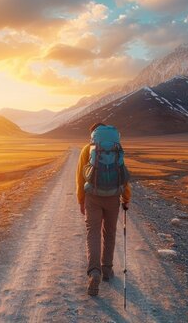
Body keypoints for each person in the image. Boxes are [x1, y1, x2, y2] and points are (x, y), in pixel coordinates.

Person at [76, 122, 131, 296]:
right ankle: (107, 270)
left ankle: (94, 272)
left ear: (93, 135)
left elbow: (79, 177)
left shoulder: (87, 149)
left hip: (93, 197)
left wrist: (81, 200)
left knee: (93, 233)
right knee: (109, 233)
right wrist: (126, 198)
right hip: (113, 197)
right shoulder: (115, 148)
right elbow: (123, 173)